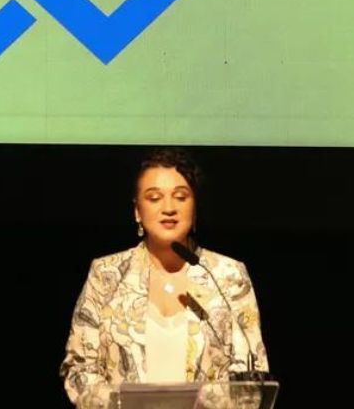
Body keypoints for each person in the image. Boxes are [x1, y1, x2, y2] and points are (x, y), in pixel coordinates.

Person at [60, 149, 269, 408]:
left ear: (194, 208)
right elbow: (79, 370)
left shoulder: (227, 276)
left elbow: (251, 370)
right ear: (138, 211)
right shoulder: (106, 274)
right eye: (154, 198)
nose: (168, 208)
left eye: (180, 197)